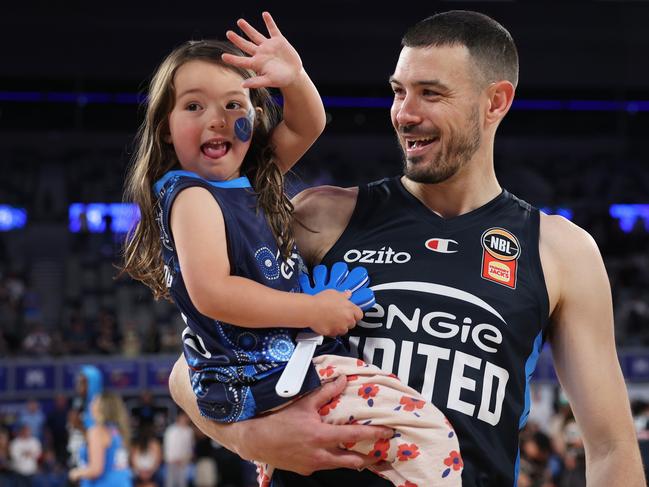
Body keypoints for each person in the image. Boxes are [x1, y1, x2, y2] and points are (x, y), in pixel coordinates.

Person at [168, 9, 646, 487]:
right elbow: (189, 370)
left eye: (430, 93)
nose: (404, 113)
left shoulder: (560, 250)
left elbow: (610, 448)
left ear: (495, 101)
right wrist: (254, 438)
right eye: (399, 91)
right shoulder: (320, 216)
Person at [122, 11, 460, 487]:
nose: (217, 119)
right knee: (426, 433)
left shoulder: (248, 182)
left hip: (277, 366)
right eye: (194, 107)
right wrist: (311, 309)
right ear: (164, 129)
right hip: (259, 373)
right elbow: (214, 294)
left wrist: (293, 78)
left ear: (255, 117)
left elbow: (308, 125)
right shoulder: (192, 196)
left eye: (234, 105)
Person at [68, 392, 132, 486]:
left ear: (102, 408)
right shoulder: (117, 431)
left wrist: (76, 473)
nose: (91, 404)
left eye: (94, 402)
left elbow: (96, 469)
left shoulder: (97, 432)